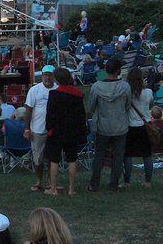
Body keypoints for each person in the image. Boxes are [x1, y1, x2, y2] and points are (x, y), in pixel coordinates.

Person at [87, 58, 131, 192]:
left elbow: (91, 107)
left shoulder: (96, 87)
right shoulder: (125, 87)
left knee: (99, 156)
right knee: (118, 157)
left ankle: (94, 184)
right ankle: (113, 185)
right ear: (118, 71)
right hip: (120, 126)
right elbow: (127, 105)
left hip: (102, 126)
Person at [44, 68, 86, 196]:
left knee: (54, 160)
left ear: (56, 80)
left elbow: (50, 114)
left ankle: (53, 188)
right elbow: (81, 115)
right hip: (72, 131)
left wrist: (49, 127)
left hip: (57, 130)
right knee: (72, 160)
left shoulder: (54, 94)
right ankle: (71, 189)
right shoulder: (78, 95)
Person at [24, 65, 58, 192]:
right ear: (42, 75)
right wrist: (27, 129)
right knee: (37, 159)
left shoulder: (58, 89)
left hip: (54, 130)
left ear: (54, 76)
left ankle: (51, 181)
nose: (48, 77)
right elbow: (28, 111)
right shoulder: (34, 90)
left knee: (52, 158)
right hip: (38, 129)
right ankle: (39, 180)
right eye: (45, 74)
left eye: (50, 75)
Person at [123, 67, 154, 188]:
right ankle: (148, 181)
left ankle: (127, 181)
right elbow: (151, 104)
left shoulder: (127, 94)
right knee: (147, 155)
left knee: (128, 155)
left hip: (130, 126)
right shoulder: (148, 92)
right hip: (145, 125)